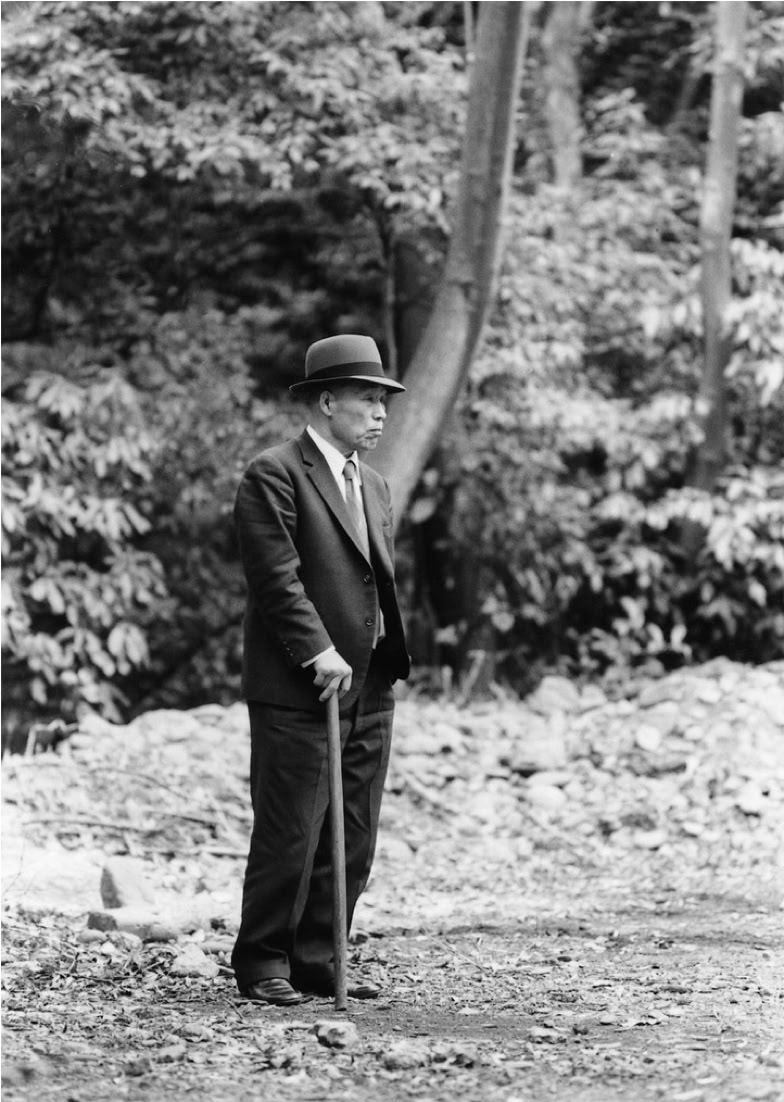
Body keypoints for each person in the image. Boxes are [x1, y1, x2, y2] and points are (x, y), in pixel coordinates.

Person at [231, 334, 410, 1006]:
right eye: (367, 398)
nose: (381, 412)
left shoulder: (375, 483)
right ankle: (263, 961)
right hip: (300, 683)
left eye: (385, 401)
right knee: (292, 830)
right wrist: (317, 649)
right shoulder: (274, 473)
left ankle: (318, 958)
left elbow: (372, 579)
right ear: (327, 401)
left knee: (354, 835)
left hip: (371, 682)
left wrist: (386, 652)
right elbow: (275, 579)